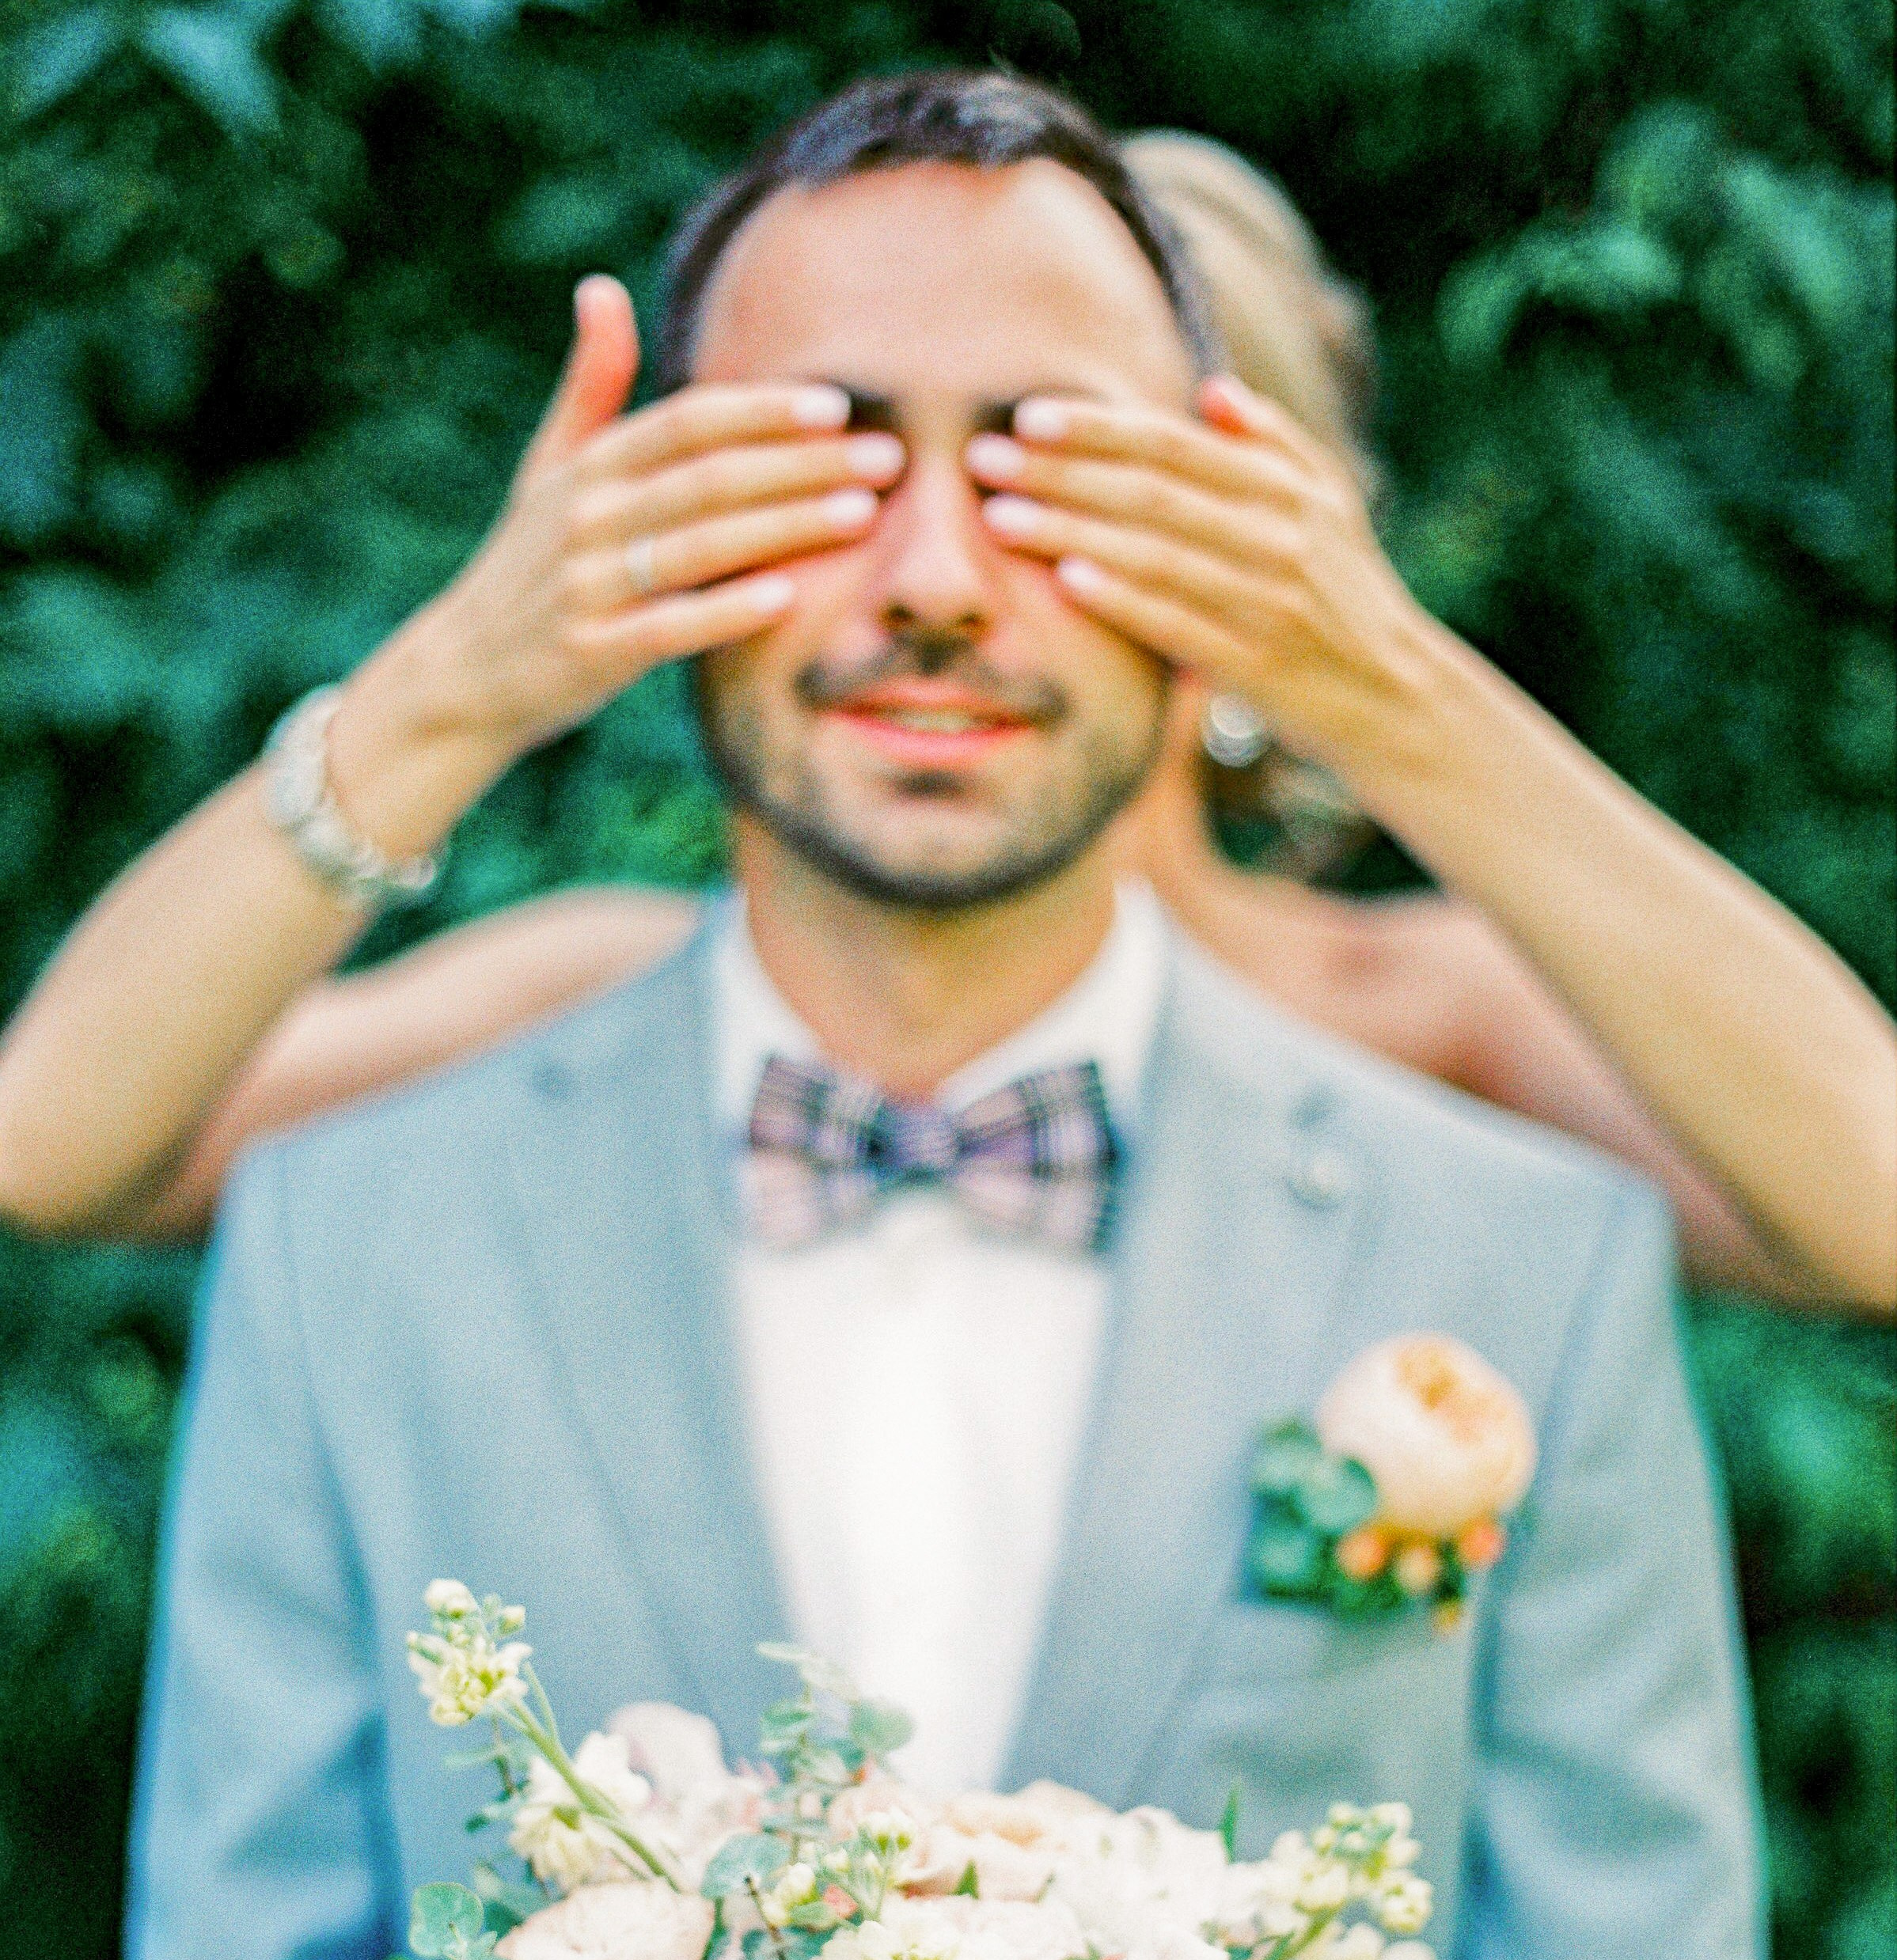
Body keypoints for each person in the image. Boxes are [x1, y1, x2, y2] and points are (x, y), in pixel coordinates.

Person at [107, 70, 1793, 1960]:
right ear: (656, 524)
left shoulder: (1515, 1235)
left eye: (1042, 475)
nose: (922, 575)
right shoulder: (356, 1220)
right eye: (819, 462)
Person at [1, 143, 1891, 1308]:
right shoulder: (606, 1003)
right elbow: (59, 1148)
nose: (943, 568)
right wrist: (456, 682)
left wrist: (1386, 694)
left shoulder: (1422, 1021)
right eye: (859, 454)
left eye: (1068, 467)